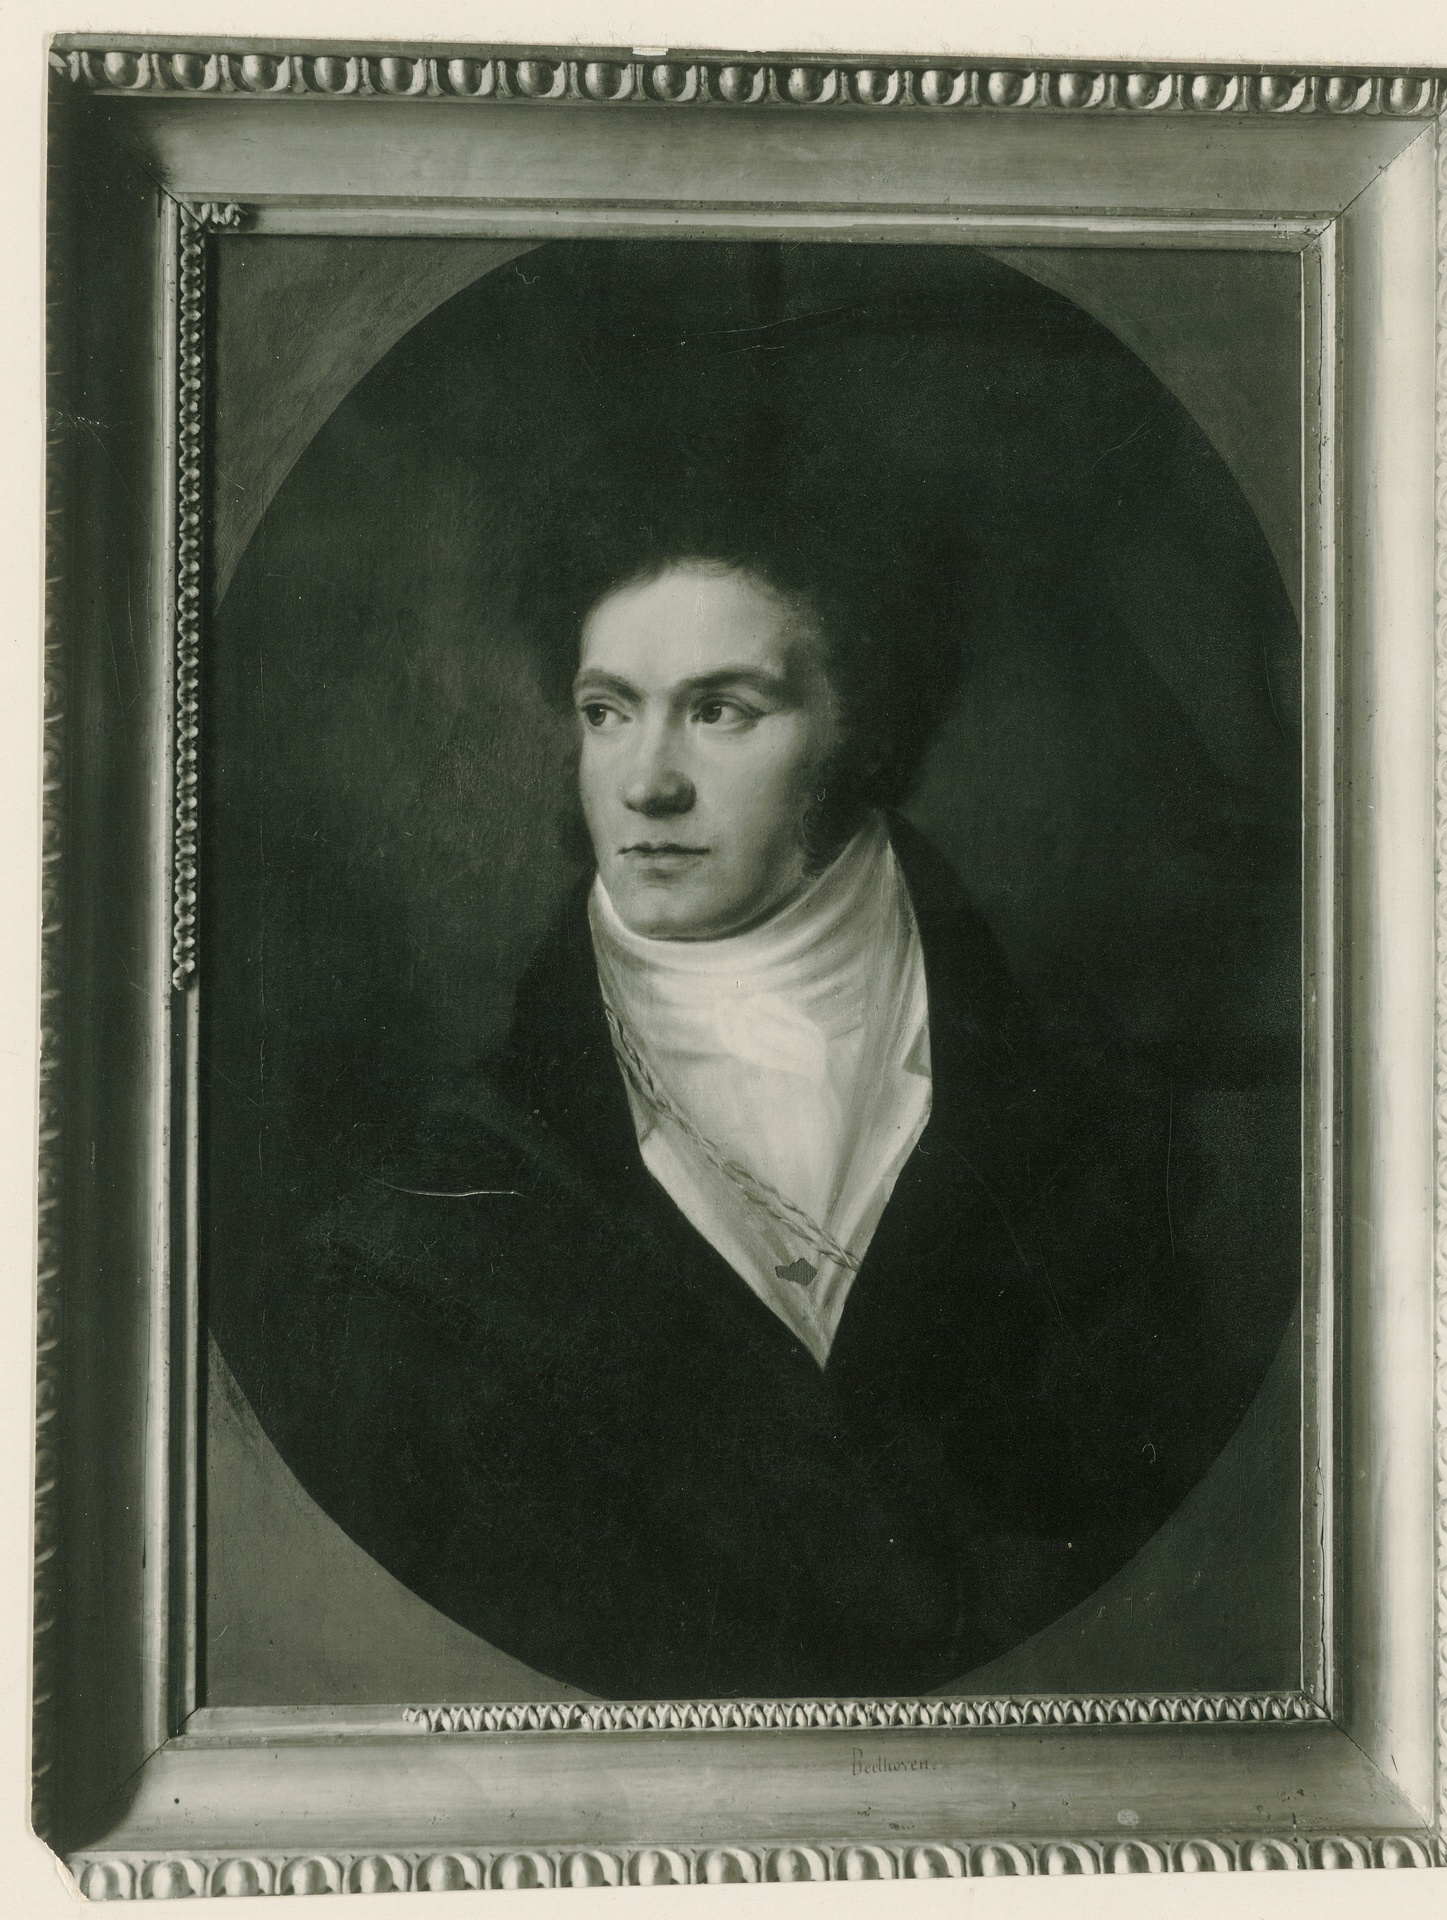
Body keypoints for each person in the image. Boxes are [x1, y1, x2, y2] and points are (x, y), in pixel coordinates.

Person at [222, 511, 1296, 1701]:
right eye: (605, 711)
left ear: (863, 732)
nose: (646, 782)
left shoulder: (1098, 1136)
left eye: (720, 710)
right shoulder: (418, 1233)